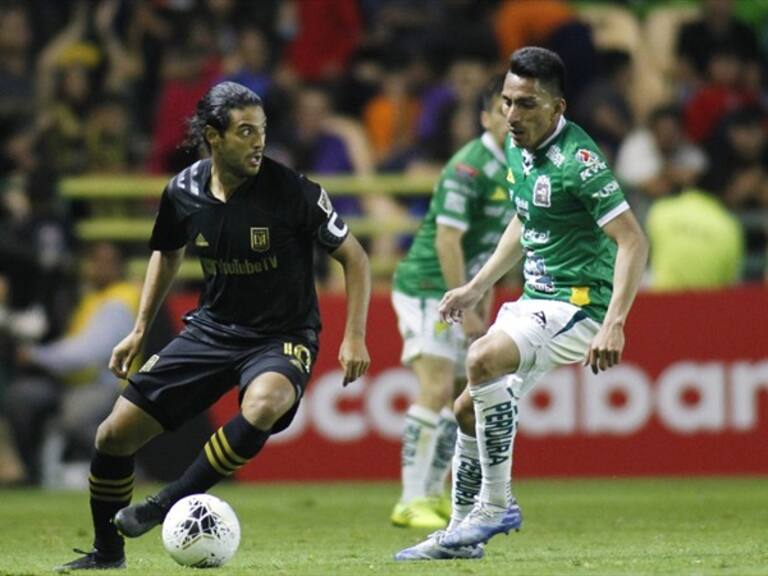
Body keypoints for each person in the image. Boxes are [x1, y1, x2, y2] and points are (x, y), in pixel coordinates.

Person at [58, 81, 371, 571]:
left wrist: (354, 335)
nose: (259, 142)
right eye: (245, 131)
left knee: (265, 402)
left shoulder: (292, 191)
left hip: (281, 336)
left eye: (262, 131)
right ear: (213, 136)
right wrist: (139, 330)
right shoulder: (183, 191)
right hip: (211, 331)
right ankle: (107, 554)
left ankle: (166, 504)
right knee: (112, 436)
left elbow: (355, 258)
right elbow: (166, 252)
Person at [395, 47, 647, 561]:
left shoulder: (581, 162)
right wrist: (476, 285)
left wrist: (614, 323)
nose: (512, 115)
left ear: (557, 108)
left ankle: (496, 505)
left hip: (579, 304)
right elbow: (522, 218)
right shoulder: (516, 145)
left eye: (527, 104)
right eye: (508, 102)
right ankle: (461, 534)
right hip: (536, 299)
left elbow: (633, 241)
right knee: (466, 410)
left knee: (480, 359)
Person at [390, 75, 515, 530]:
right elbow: (447, 239)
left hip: (464, 289)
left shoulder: (519, 163)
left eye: (517, 108)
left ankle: (433, 493)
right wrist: (463, 305)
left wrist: (486, 298)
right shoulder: (469, 166)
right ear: (485, 117)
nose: (512, 118)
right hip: (428, 286)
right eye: (502, 110)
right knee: (437, 386)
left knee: (461, 395)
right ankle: (409, 499)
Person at [8, 242, 139, 485]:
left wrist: (36, 355)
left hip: (109, 386)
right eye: (95, 262)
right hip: (72, 383)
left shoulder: (119, 300)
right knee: (21, 397)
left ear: (120, 267)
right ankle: (32, 472)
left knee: (75, 417)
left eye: (107, 263)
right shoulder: (93, 297)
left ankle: (123, 471)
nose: (98, 268)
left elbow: (87, 353)